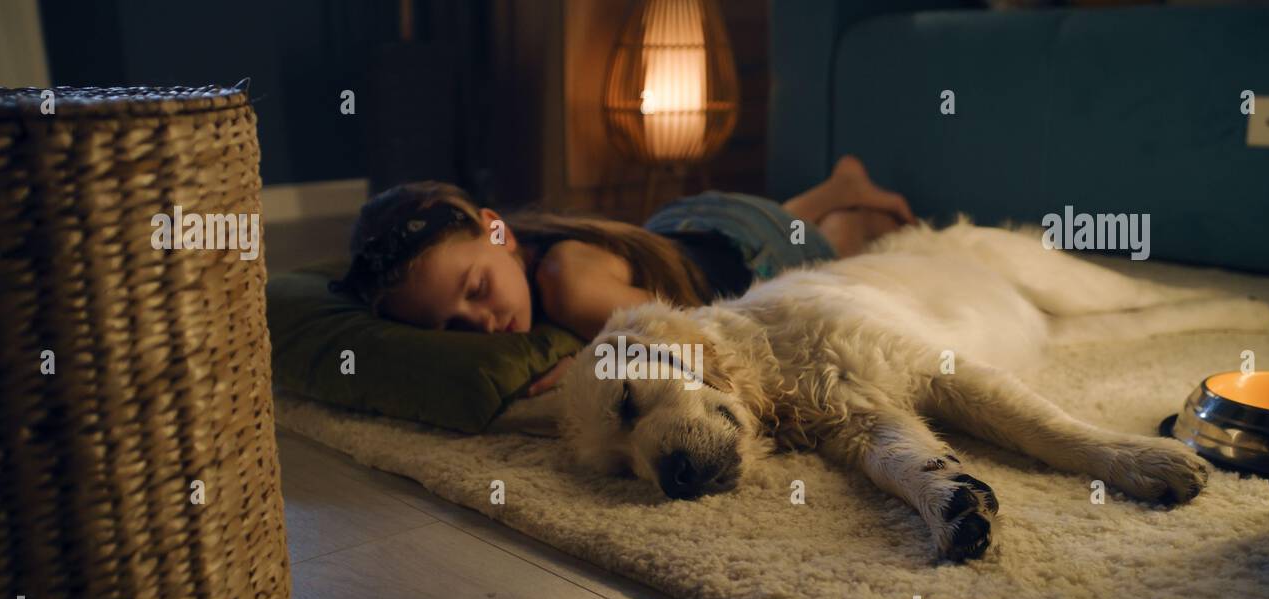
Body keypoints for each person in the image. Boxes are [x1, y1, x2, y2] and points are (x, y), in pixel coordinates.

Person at [328, 155, 914, 395]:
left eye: (476, 290)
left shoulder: (567, 284)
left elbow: (676, 331)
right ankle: (833, 187)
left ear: (498, 232)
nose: (481, 324)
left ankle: (843, 208)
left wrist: (589, 364)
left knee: (842, 246)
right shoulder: (533, 245)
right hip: (691, 222)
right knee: (774, 222)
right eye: (453, 326)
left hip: (748, 251)